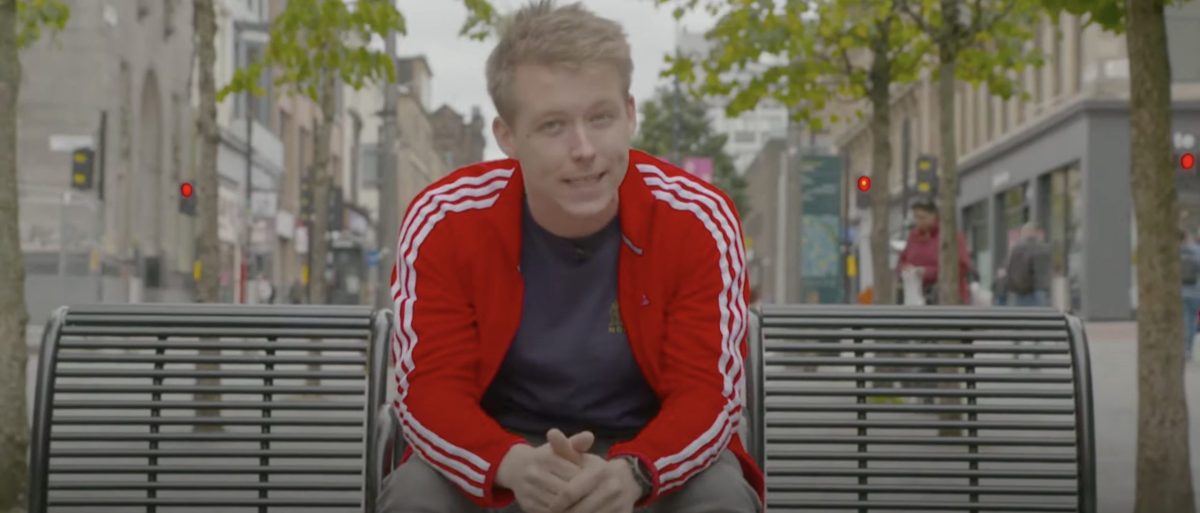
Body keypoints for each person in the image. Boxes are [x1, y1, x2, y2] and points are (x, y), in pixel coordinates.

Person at [377, 2, 763, 512]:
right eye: (553, 126)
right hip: (500, 454)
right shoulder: (445, 220)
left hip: (647, 457)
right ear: (507, 137)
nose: (584, 149)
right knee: (414, 494)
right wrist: (509, 463)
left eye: (600, 118)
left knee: (720, 496)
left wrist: (636, 471)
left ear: (630, 115)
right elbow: (429, 389)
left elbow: (708, 393)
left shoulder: (697, 219)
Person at [895, 197, 971, 305]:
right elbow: (902, 261)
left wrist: (927, 272)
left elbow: (961, 266)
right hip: (917, 297)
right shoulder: (913, 236)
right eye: (915, 217)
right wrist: (906, 269)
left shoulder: (951, 236)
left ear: (934, 216)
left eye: (922, 217)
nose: (918, 222)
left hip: (946, 297)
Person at [1004, 223, 1051, 307]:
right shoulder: (1044, 248)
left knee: (1017, 314)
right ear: (1035, 233)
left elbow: (1009, 268)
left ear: (1023, 233)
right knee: (1041, 314)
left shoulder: (1016, 248)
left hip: (1018, 291)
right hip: (1039, 290)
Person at [1181, 229, 1200, 362]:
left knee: (1186, 320)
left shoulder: (1173, 252)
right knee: (1191, 321)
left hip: (1180, 292)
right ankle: (1188, 348)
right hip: (1196, 291)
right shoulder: (1197, 251)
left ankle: (1186, 349)